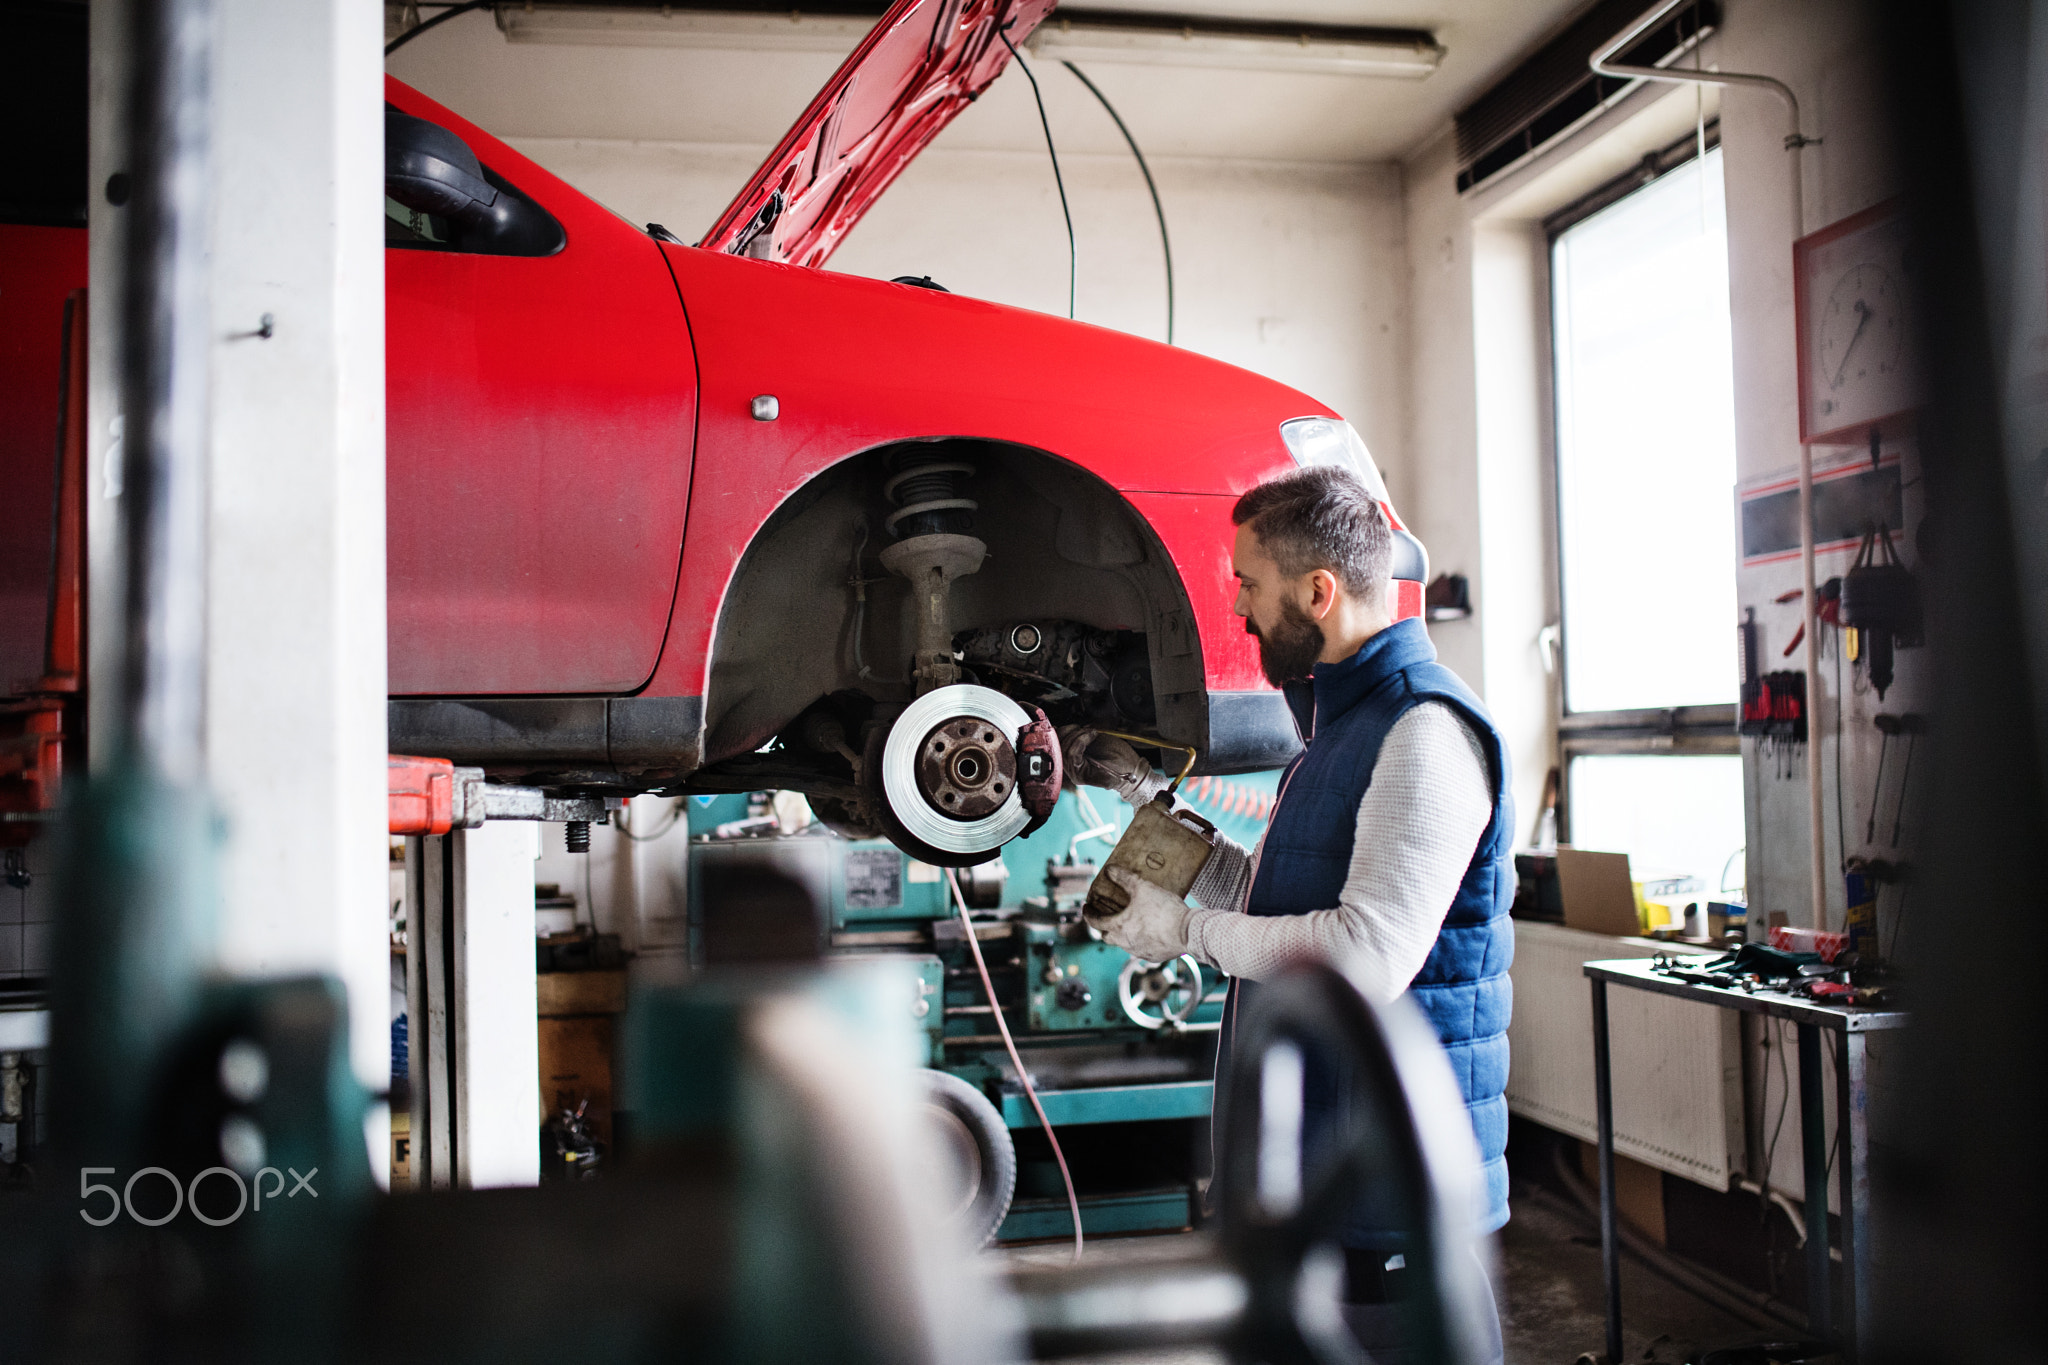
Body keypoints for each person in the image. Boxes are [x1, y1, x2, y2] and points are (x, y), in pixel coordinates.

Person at [1061, 465, 1513, 1364]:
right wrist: (1149, 796)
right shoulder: (1342, 726)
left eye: (1250, 584)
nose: (1238, 607)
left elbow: (1366, 954)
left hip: (1387, 1192)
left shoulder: (1424, 731)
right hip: (1326, 1163)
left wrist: (1182, 933)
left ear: (1319, 590)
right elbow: (1279, 900)